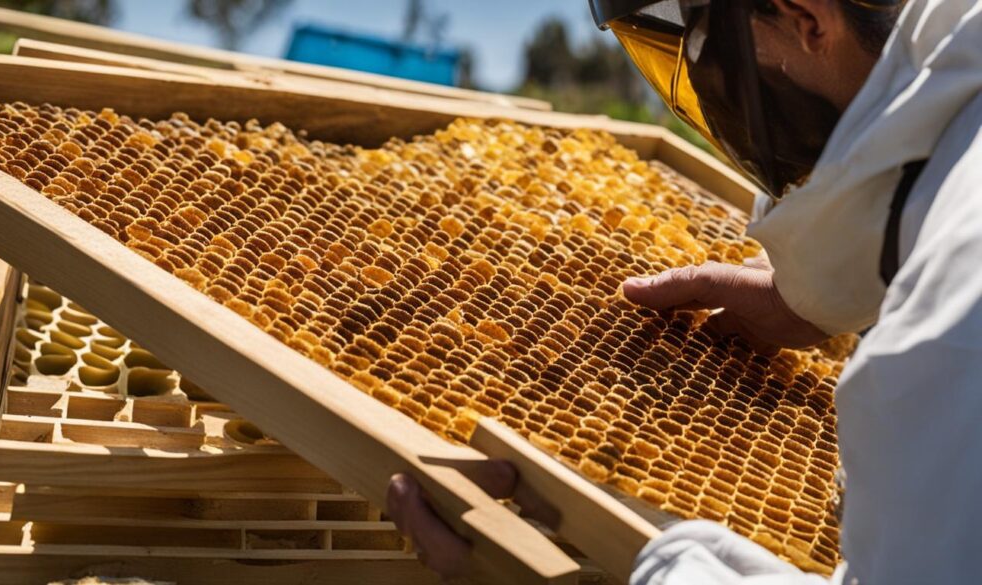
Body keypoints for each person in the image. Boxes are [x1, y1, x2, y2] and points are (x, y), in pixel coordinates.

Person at [386, 0, 982, 583]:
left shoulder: (942, 348)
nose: (702, 74)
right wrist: (819, 294)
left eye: (704, 34)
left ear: (806, 19)